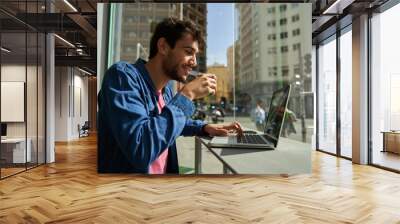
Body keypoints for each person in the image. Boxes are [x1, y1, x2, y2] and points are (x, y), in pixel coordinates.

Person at [98, 18, 243, 174]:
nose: (194, 62)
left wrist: (204, 127)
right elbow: (140, 148)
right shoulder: (122, 76)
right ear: (163, 47)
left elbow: (164, 122)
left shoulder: (166, 90)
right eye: (188, 52)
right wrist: (188, 94)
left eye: (195, 55)